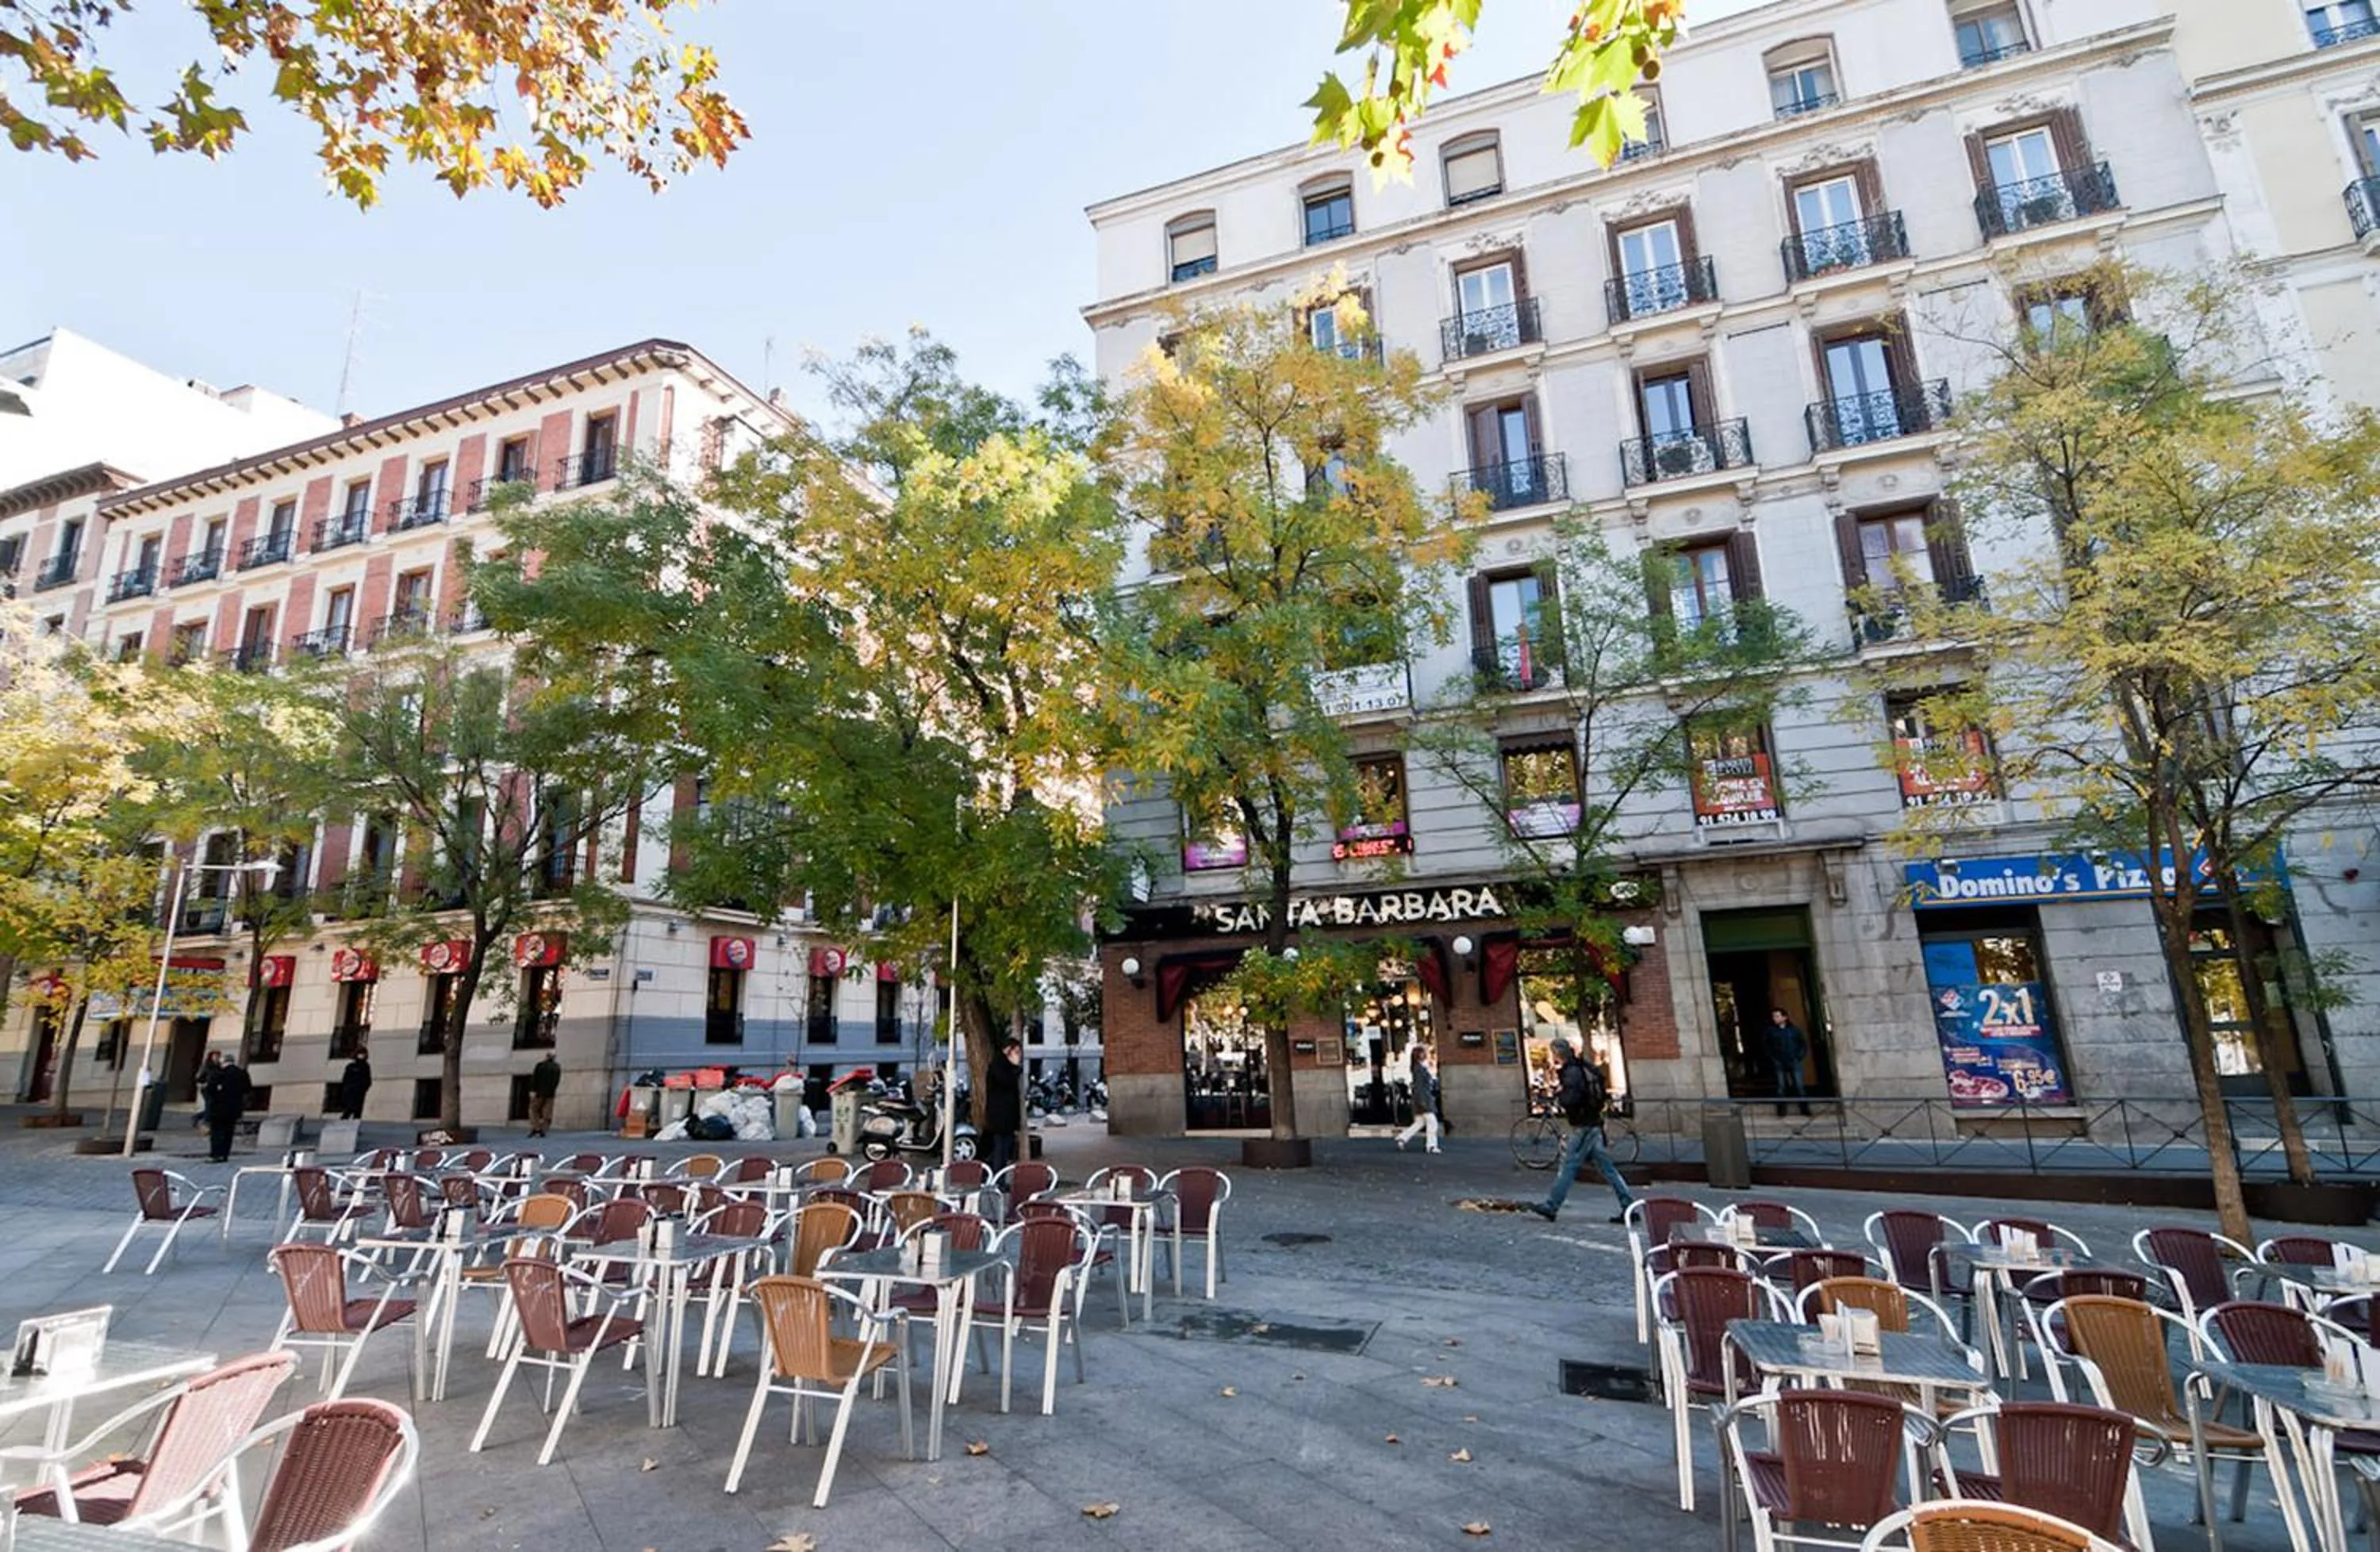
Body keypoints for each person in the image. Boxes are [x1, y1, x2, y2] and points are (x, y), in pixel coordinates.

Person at [1529, 1035, 1634, 1224]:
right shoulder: (1582, 1066)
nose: (1553, 1056)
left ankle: (1551, 1206)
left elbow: (1573, 1099)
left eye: (1553, 1053)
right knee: (1607, 1168)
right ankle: (1629, 1206)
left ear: (1558, 1053)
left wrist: (1561, 1095)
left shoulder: (1571, 1072)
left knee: (1569, 1166)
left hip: (1583, 1125)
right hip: (1593, 1122)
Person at [982, 1037, 1023, 1174]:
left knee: (1004, 1150)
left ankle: (998, 1176)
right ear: (1008, 1051)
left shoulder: (1004, 1066)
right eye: (1016, 1052)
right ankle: (996, 1177)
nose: (1018, 1056)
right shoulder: (998, 1065)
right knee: (1000, 1150)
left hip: (1007, 1117)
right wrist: (1016, 1068)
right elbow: (1006, 1082)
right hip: (1000, 1118)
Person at [203, 1055, 250, 1164]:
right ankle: (225, 1154)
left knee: (217, 1132)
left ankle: (216, 1154)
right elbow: (247, 1089)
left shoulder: (219, 1073)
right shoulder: (242, 1073)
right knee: (229, 1132)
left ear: (224, 1062)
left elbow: (210, 1089)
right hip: (234, 1108)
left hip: (219, 1108)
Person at [1395, 1045, 1441, 1154]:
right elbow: (1420, 1087)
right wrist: (1423, 1101)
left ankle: (1402, 1138)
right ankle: (1431, 1146)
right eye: (1423, 1053)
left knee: (1420, 1122)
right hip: (1424, 1099)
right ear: (1418, 1055)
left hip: (1420, 1099)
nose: (1425, 1055)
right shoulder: (1419, 1069)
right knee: (1432, 1122)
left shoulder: (1418, 1068)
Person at [1767, 1008, 1812, 1118]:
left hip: (1794, 1061)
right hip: (1780, 1062)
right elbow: (1767, 1047)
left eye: (1777, 1016)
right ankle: (1781, 1110)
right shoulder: (1771, 1031)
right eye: (1774, 1016)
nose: (1775, 1019)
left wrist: (1799, 1057)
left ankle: (1805, 1109)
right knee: (1781, 1087)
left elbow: (1803, 1045)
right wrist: (1775, 1059)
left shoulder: (1795, 1030)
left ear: (1784, 1017)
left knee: (1799, 1085)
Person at [528, 1052, 562, 1137]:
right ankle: (543, 1130)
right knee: (547, 1113)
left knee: (533, 1110)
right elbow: (557, 1081)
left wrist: (533, 1090)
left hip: (539, 1092)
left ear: (546, 1057)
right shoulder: (557, 1067)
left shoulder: (540, 1065)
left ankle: (536, 1128)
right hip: (550, 1093)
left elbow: (535, 1079)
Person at [338, 1046, 373, 1121]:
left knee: (357, 1113)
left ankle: (354, 1127)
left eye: (363, 1054)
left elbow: (368, 1079)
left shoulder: (366, 1066)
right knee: (348, 1111)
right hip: (351, 1091)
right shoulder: (351, 1066)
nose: (362, 1055)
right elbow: (345, 1079)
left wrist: (364, 1088)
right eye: (361, 1053)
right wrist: (347, 1088)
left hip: (359, 1092)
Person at [193, 1050, 222, 1131]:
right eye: (215, 1056)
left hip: (215, 1088)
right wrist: (202, 1083)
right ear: (211, 1057)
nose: (217, 1058)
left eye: (218, 1056)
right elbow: (199, 1076)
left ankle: (197, 1117)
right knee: (209, 1104)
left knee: (212, 1107)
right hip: (206, 1088)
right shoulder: (207, 1065)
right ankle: (206, 1123)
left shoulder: (219, 1066)